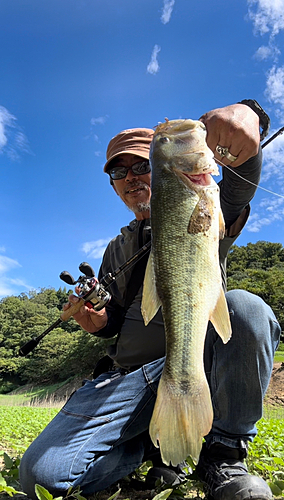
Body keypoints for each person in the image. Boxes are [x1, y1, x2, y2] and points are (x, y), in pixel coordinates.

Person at [20, 103, 280, 500]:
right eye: (117, 172)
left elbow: (239, 181)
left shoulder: (203, 201)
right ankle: (145, 448)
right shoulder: (115, 249)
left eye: (142, 165)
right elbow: (118, 321)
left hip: (193, 361)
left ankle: (224, 457)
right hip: (124, 380)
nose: (131, 177)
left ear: (163, 170)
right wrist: (97, 322)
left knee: (247, 310)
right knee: (42, 476)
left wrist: (249, 118)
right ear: (113, 186)